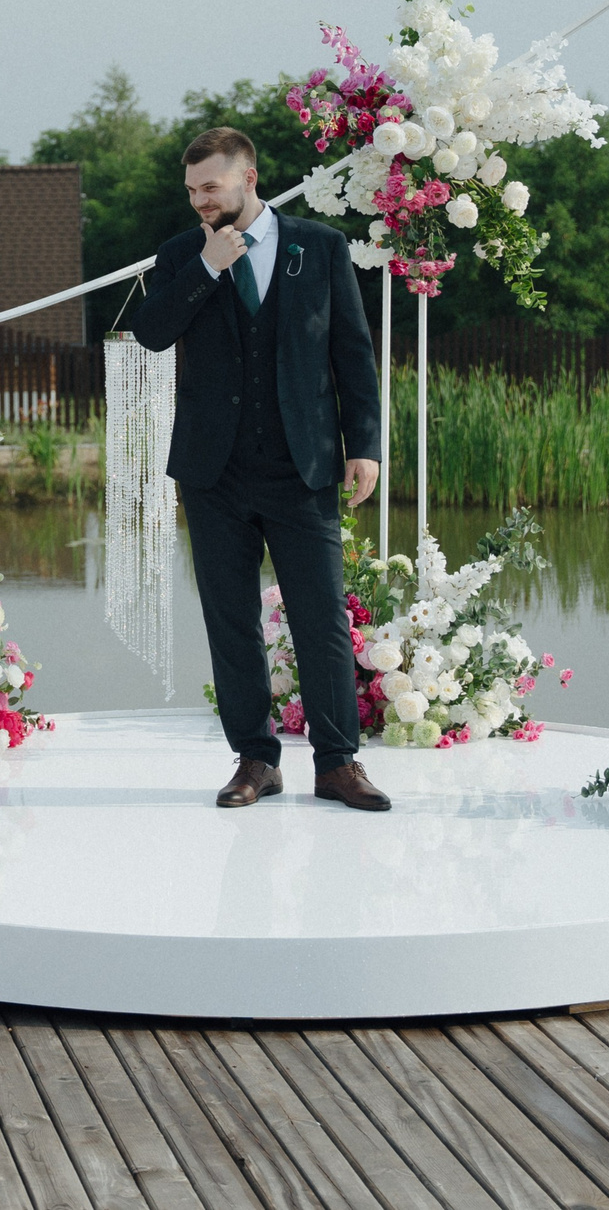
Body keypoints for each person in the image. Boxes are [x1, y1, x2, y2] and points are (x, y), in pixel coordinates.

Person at [132, 127, 388, 811]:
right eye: (191, 190)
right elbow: (153, 331)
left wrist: (364, 443)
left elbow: (352, 355)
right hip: (212, 472)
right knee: (232, 618)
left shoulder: (322, 247)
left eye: (210, 187)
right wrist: (207, 267)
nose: (199, 201)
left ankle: (338, 763)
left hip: (300, 465)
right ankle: (255, 759)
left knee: (321, 618)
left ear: (248, 177)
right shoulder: (186, 252)